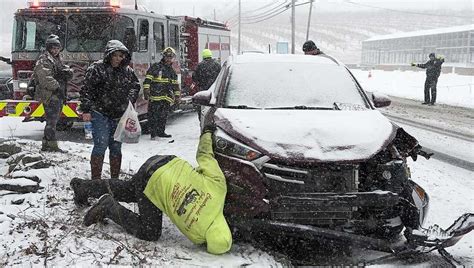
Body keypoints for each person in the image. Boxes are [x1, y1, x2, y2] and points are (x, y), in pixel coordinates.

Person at [70, 108, 232, 255]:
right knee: (150, 232)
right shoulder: (196, 234)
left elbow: (205, 155)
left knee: (130, 190)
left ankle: (83, 187)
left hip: (163, 162)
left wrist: (207, 132)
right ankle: (108, 206)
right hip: (153, 182)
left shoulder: (219, 189)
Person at [80, 40, 140, 180]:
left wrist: (129, 100)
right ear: (109, 55)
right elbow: (87, 90)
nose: (119, 59)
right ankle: (96, 181)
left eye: (121, 56)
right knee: (100, 145)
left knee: (116, 147)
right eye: (116, 55)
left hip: (119, 115)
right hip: (99, 113)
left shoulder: (127, 71)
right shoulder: (96, 69)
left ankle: (114, 180)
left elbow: (135, 86)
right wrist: (87, 110)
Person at [33, 34, 73, 152]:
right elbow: (45, 78)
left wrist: (68, 72)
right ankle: (51, 145)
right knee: (52, 121)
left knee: (53, 120)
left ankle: (47, 144)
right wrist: (57, 88)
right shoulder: (44, 59)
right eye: (53, 48)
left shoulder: (56, 59)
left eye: (57, 48)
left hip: (57, 94)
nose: (55, 50)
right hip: (50, 95)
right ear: (48, 48)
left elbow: (63, 69)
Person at [143, 47, 180, 139]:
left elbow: (175, 85)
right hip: (155, 97)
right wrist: (146, 90)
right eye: (167, 57)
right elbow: (148, 79)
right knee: (153, 116)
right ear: (163, 57)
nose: (168, 59)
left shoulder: (172, 71)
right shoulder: (156, 67)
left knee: (163, 116)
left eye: (170, 57)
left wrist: (177, 96)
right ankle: (153, 133)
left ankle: (161, 132)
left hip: (166, 98)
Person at [192, 49, 221, 120]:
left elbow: (194, 77)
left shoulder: (200, 65)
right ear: (210, 55)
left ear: (203, 56)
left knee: (202, 108)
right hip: (215, 91)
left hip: (203, 91)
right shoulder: (217, 65)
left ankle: (203, 120)